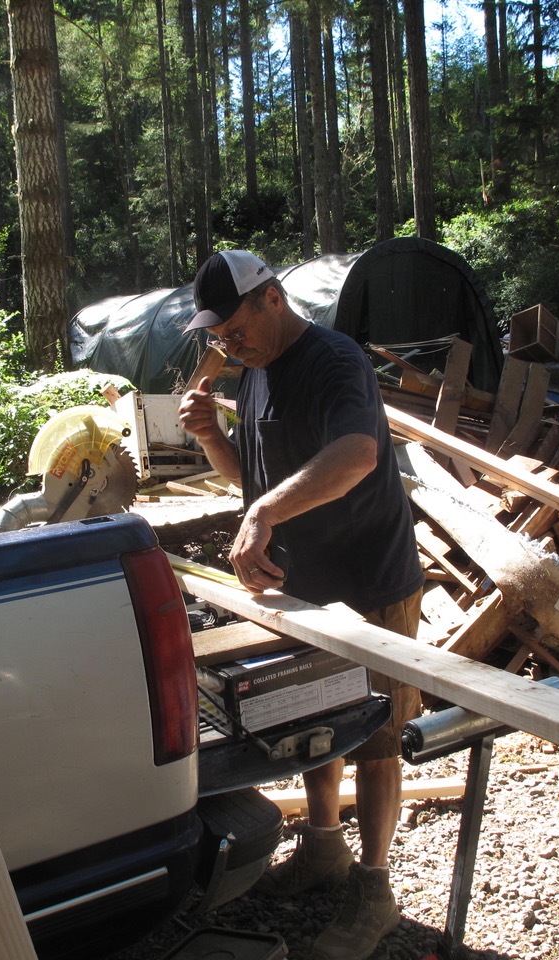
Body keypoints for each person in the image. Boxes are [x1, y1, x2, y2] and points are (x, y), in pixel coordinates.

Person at [177, 250, 424, 960]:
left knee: (375, 742)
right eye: (216, 336)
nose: (228, 344)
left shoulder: (334, 361)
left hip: (369, 580)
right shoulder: (252, 376)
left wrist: (261, 515)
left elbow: (355, 458)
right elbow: (254, 484)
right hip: (304, 588)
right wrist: (211, 439)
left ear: (273, 299)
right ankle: (323, 850)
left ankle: (374, 891)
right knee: (320, 725)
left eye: (235, 328)